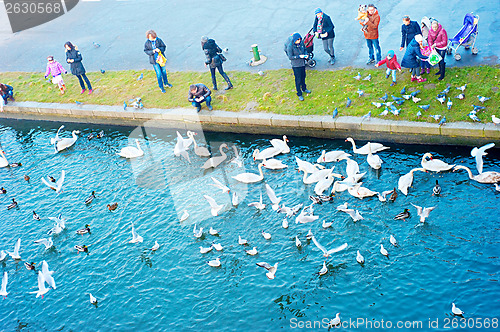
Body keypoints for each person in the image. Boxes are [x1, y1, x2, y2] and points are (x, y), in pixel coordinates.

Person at [285, 33, 311, 101]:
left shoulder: (301, 43)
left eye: (299, 40)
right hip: (296, 65)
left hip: (302, 64)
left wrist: (305, 54)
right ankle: (299, 93)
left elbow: (305, 49)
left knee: (303, 76)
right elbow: (290, 57)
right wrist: (299, 56)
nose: (299, 41)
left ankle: (304, 88)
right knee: (298, 79)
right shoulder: (290, 46)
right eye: (297, 40)